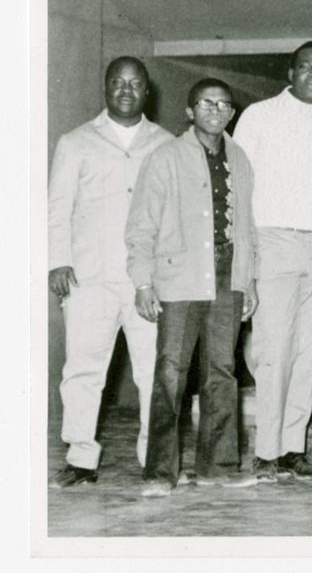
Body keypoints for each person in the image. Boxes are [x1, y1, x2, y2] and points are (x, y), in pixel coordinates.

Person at [128, 78, 258, 497]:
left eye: (224, 105)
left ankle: (218, 466)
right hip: (179, 277)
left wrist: (247, 280)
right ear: (189, 111)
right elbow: (142, 224)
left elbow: (247, 227)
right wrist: (143, 281)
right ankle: (159, 473)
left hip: (227, 277)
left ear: (231, 114)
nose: (216, 111)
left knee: (221, 372)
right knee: (170, 373)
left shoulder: (240, 158)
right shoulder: (164, 157)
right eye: (206, 103)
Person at [49, 56, 172, 488]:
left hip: (147, 283)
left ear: (146, 92)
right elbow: (58, 208)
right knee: (82, 369)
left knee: (152, 373)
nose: (125, 90)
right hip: (88, 278)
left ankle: (152, 458)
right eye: (117, 82)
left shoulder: (166, 143)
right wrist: (57, 260)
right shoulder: (76, 141)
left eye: (134, 83)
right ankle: (81, 458)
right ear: (105, 88)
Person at [235, 41, 312, 482]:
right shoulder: (258, 116)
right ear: (291, 71)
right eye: (305, 67)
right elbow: (242, 187)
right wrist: (248, 250)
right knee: (273, 347)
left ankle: (291, 448)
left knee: (310, 351)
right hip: (275, 239)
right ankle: (266, 450)